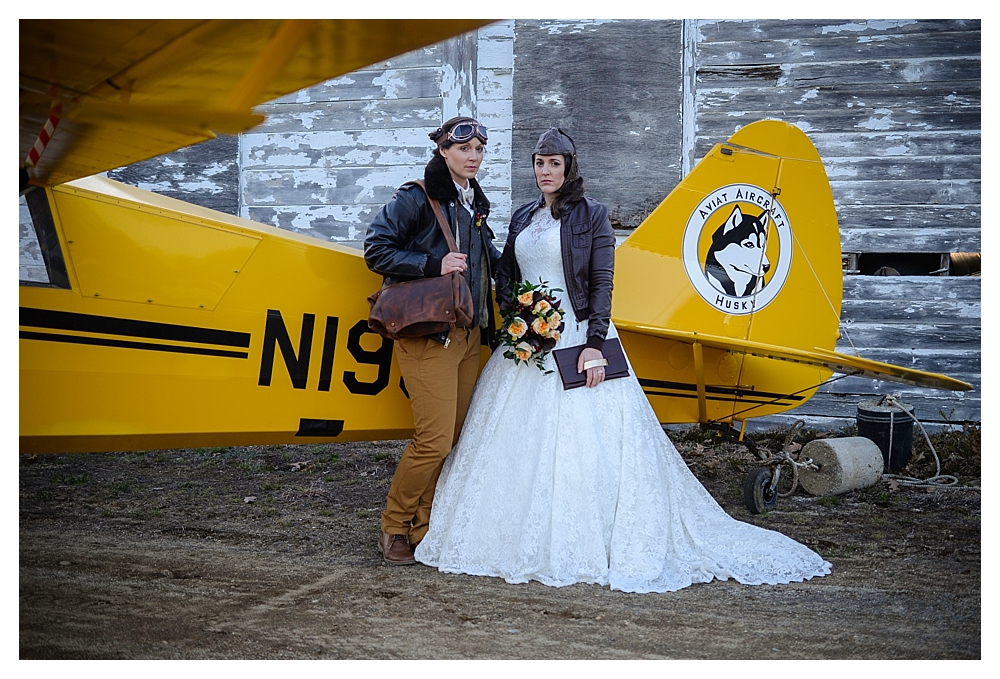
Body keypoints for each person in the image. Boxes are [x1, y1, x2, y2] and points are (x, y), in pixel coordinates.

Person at [413, 128, 832, 592]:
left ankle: (586, 534)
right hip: (529, 342)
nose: (545, 171)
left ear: (569, 167)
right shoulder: (522, 216)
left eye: (554, 163)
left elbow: (601, 284)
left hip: (577, 335)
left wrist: (594, 343)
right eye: (538, 163)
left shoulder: (592, 216)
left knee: (584, 443)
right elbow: (508, 273)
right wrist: (519, 316)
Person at [364, 116, 502, 566]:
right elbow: (377, 249)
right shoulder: (417, 196)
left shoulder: (472, 201)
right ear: (443, 150)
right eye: (464, 149)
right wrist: (432, 264)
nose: (473, 157)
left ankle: (425, 526)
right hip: (428, 335)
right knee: (434, 441)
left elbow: (489, 260)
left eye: (479, 150)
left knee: (455, 437)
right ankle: (393, 526)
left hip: (467, 334)